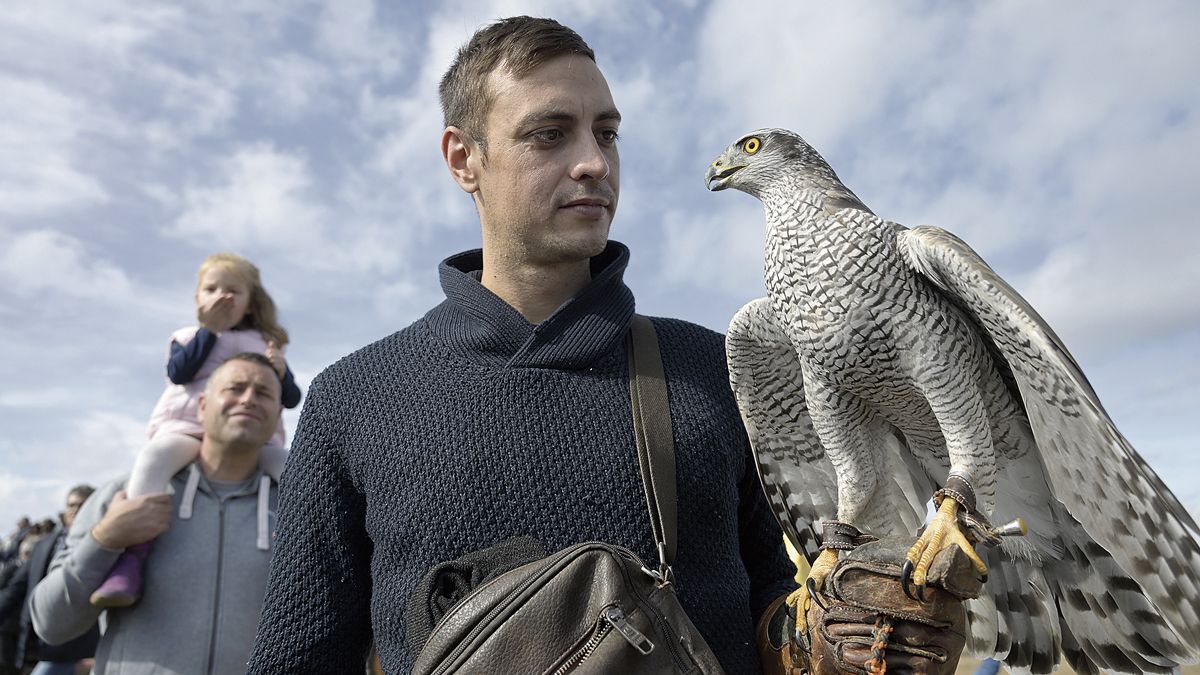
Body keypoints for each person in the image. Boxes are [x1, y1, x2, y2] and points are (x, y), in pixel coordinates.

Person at [248, 16, 797, 675]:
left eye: (607, 133)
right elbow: (298, 660)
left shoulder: (715, 370)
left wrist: (841, 641)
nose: (593, 161)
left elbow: (782, 598)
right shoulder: (353, 399)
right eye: (550, 134)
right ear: (464, 158)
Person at [31, 353, 284, 674]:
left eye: (263, 393)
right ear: (202, 406)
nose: (248, 399)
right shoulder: (125, 494)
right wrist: (105, 539)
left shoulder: (300, 509)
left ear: (278, 415)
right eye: (235, 388)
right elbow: (51, 624)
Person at [89, 253, 301, 608]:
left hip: (251, 440)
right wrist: (210, 331)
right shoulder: (188, 336)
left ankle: (299, 551)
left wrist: (281, 370)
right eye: (212, 288)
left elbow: (290, 398)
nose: (222, 296)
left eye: (233, 290)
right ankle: (133, 556)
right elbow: (179, 373)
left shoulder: (265, 344)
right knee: (154, 457)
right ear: (197, 299)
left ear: (251, 302)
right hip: (185, 427)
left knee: (294, 469)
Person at [0, 485, 98, 675]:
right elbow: (16, 589)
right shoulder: (44, 544)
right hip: (38, 646)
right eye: (71, 505)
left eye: (82, 505)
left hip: (80, 651)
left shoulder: (108, 544)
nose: (75, 510)